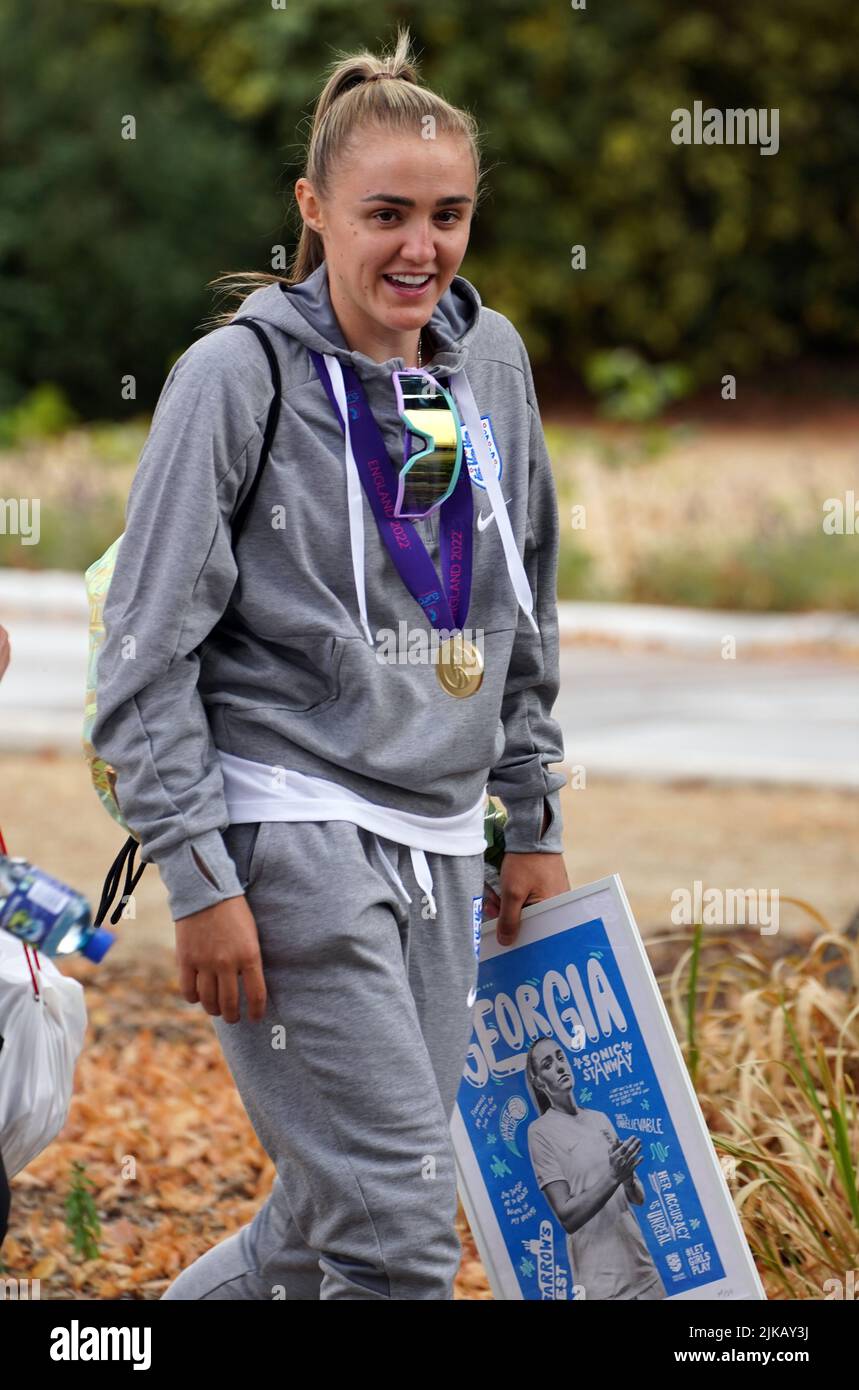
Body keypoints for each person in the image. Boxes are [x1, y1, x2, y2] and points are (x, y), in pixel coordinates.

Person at [91, 26, 569, 1301]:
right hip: (290, 832)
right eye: (387, 213)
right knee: (400, 1237)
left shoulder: (495, 368)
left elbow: (527, 605)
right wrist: (198, 876)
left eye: (450, 214)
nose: (422, 247)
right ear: (314, 209)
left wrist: (531, 813)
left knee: (320, 1230)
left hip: (440, 842)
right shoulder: (232, 378)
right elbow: (144, 651)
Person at [526, 1037, 667, 1300]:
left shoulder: (599, 1119)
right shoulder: (540, 1132)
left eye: (560, 1057)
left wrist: (627, 1178)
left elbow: (638, 1197)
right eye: (547, 1064)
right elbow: (567, 1218)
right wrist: (614, 1175)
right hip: (603, 1287)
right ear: (538, 1082)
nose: (558, 1066)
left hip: (644, 1272)